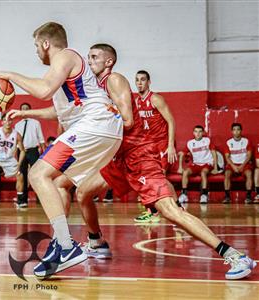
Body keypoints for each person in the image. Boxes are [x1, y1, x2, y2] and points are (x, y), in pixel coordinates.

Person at [76, 43, 256, 280]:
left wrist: (93, 129)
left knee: (171, 211)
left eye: (94, 57)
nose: (89, 61)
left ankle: (235, 256)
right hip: (121, 159)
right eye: (88, 57)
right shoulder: (97, 87)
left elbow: (127, 121)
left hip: (139, 157)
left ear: (109, 61)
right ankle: (96, 242)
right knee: (83, 193)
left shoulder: (114, 80)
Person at [0, 23, 124, 278]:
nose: (35, 51)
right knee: (60, 183)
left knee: (37, 174)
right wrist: (24, 112)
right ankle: (58, 248)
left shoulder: (64, 55)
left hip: (96, 124)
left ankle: (67, 246)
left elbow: (43, 90)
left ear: (45, 44)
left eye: (35, 46)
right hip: (104, 130)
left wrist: (10, 75)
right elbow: (60, 111)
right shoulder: (67, 74)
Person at [133, 70, 177, 222]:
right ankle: (156, 210)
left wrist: (171, 145)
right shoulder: (137, 102)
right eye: (137, 80)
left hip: (162, 143)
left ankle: (168, 209)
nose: (139, 82)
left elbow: (171, 121)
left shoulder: (156, 99)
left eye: (143, 79)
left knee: (158, 178)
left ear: (149, 82)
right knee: (147, 178)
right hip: (149, 146)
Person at [14, 102, 46, 205]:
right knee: (22, 175)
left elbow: (41, 139)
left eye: (27, 108)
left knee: (36, 174)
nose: (25, 110)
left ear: (30, 110)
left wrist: (44, 151)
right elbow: (16, 142)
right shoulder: (17, 125)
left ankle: (40, 199)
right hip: (22, 151)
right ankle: (23, 200)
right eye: (22, 109)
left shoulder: (36, 123)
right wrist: (15, 155)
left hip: (33, 150)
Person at [177, 125, 218, 204]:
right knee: (185, 172)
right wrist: (180, 167)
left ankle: (204, 195)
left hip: (207, 163)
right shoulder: (190, 143)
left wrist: (215, 168)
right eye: (196, 131)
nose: (198, 133)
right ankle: (184, 194)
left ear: (202, 132)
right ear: (193, 133)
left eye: (200, 131)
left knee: (203, 173)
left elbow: (214, 153)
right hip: (196, 164)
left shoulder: (207, 140)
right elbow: (182, 153)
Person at [223, 123, 253, 204]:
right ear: (232, 131)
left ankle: (249, 196)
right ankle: (227, 196)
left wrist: (242, 166)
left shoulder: (246, 141)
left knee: (249, 173)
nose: (236, 132)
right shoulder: (228, 142)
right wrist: (234, 166)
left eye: (238, 129)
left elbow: (249, 155)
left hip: (244, 163)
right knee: (227, 174)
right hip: (232, 164)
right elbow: (227, 157)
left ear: (241, 131)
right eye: (234, 130)